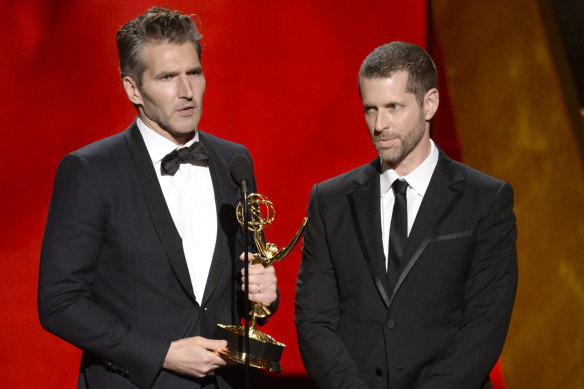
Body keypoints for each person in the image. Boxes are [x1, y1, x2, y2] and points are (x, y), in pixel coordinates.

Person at [38, 7, 277, 389]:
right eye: (167, 77)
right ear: (133, 88)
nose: (186, 92)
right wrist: (160, 352)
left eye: (193, 73)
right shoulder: (90, 170)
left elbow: (241, 274)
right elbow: (59, 303)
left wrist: (261, 292)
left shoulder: (233, 159)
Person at [295, 41, 517, 389]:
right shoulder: (330, 200)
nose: (379, 124)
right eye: (370, 109)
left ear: (430, 103)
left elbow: (485, 325)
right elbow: (314, 320)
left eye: (393, 107)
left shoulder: (486, 200)